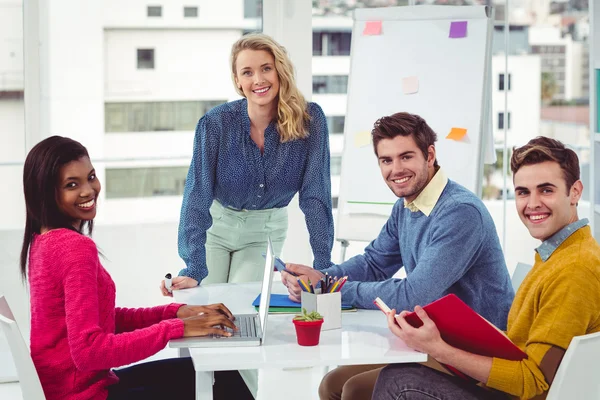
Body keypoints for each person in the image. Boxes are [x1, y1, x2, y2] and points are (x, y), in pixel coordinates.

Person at [279, 112, 514, 400]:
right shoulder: (406, 205)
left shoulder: (459, 212)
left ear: (430, 156)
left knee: (354, 390)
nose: (396, 169)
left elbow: (413, 295)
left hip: (474, 357)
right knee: (332, 383)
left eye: (406, 157)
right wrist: (321, 281)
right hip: (435, 341)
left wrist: (331, 292)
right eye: (386, 160)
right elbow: (374, 263)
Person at [20, 136, 250, 400]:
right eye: (72, 184)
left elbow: (103, 320)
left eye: (91, 177)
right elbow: (89, 351)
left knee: (214, 375)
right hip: (87, 395)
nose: (89, 190)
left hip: (72, 390)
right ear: (46, 193)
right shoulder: (72, 248)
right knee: (225, 380)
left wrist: (177, 313)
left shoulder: (42, 241)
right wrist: (177, 328)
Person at [373, 136, 600, 400]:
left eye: (546, 190)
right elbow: (524, 344)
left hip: (518, 394)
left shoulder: (574, 269)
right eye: (523, 192)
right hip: (504, 387)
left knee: (398, 381)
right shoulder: (559, 254)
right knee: (368, 380)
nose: (533, 203)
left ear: (574, 192)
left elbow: (533, 382)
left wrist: (439, 348)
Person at [160, 33, 334, 294]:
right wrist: (194, 268)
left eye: (266, 68)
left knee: (239, 301)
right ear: (238, 81)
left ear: (280, 71)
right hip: (216, 229)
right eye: (247, 72)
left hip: (264, 233)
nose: (258, 80)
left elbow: (315, 195)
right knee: (205, 301)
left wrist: (323, 265)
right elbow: (197, 194)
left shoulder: (310, 121)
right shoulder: (215, 123)